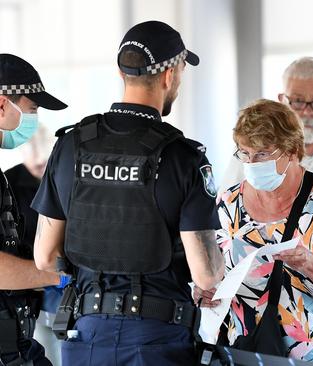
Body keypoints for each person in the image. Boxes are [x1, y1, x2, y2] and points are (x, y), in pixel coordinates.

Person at [31, 21, 224, 365]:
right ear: (168, 75)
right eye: (181, 70)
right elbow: (206, 274)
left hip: (84, 335)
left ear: (123, 74)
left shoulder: (70, 145)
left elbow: (45, 257)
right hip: (156, 340)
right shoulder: (185, 157)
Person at [216, 99, 313, 365]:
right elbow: (216, 274)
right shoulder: (229, 202)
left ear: (290, 150)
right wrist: (207, 290)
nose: (251, 163)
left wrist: (310, 263)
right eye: (244, 153)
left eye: (262, 154)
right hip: (250, 348)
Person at [0, 53, 68, 365]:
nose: (33, 120)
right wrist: (59, 278)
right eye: (31, 110)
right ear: (2, 105)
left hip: (16, 342)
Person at [220, 57, 313, 193]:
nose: (308, 112)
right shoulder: (252, 150)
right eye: (298, 101)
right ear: (282, 100)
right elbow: (225, 207)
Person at [5, 126, 62, 365]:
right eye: (33, 158)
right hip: (27, 279)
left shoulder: (61, 176)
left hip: (60, 271)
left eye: (44, 159)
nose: (39, 163)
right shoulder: (10, 182)